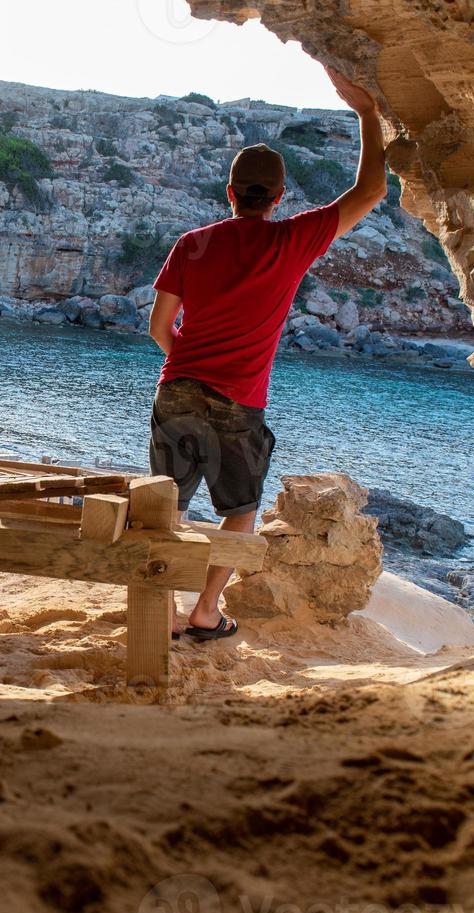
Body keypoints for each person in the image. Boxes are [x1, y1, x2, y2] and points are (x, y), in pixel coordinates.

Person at [146, 67, 387, 641]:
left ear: (229, 193)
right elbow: (371, 191)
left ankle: (158, 611)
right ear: (279, 197)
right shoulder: (292, 239)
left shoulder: (192, 243)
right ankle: (205, 611)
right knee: (241, 509)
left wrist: (190, 367)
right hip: (240, 402)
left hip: (177, 387)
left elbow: (159, 325)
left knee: (166, 508)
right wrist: (368, 116)